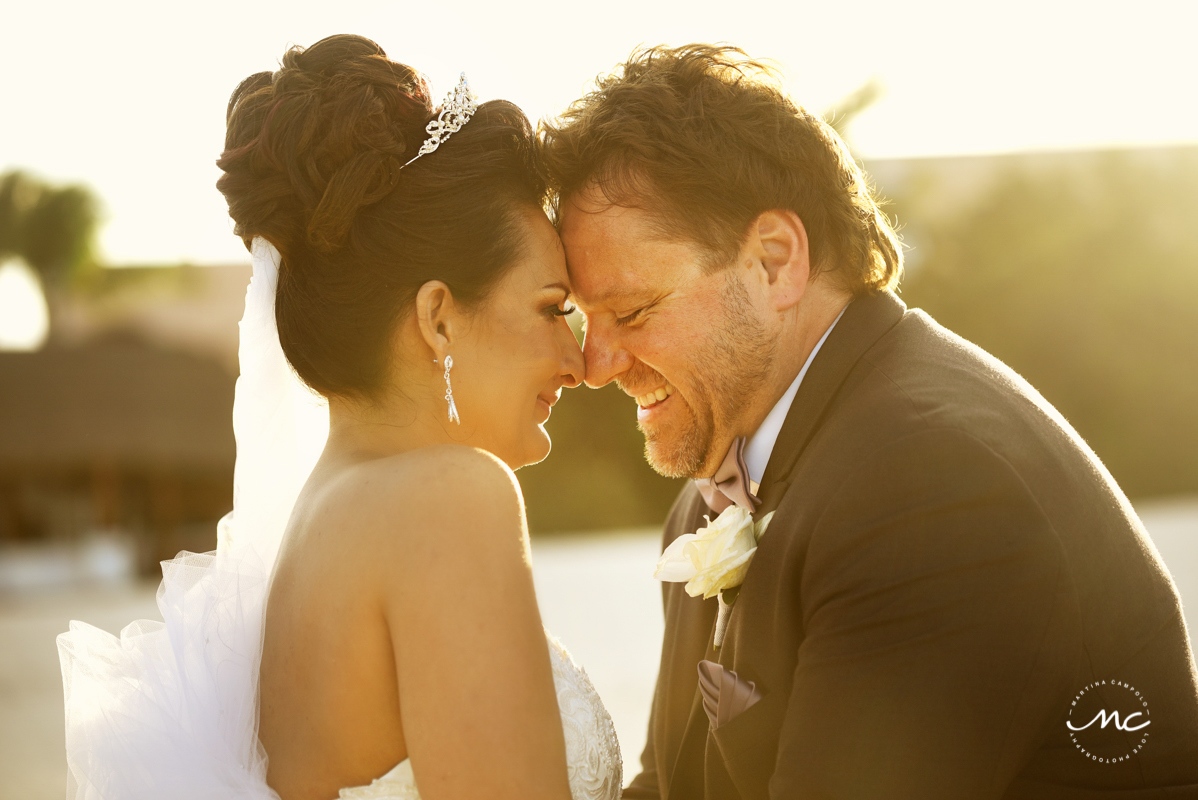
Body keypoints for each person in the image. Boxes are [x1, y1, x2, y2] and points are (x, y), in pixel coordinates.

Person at [542, 44, 1198, 799]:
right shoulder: (715, 495)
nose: (596, 364)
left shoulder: (932, 485)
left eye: (630, 311)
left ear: (776, 261)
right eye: (582, 319)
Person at [57, 35, 621, 800]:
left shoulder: (323, 515)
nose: (579, 361)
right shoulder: (451, 497)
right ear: (438, 319)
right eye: (553, 309)